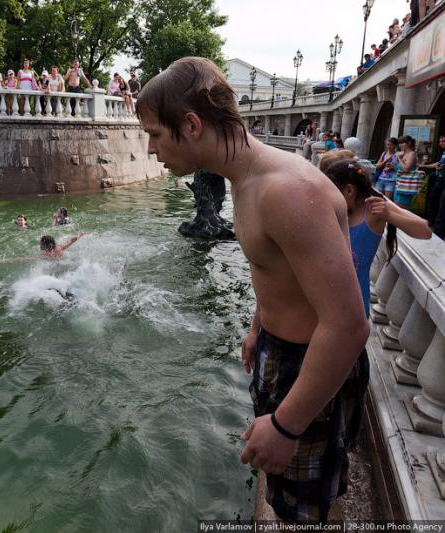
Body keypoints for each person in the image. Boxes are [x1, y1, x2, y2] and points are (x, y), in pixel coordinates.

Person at [136, 57, 369, 524]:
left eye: (155, 135)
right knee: (302, 497)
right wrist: (259, 326)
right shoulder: (247, 182)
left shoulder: (285, 192)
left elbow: (347, 326)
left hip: (309, 363)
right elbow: (279, 270)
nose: (150, 149)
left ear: (192, 124)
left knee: (307, 512)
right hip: (282, 350)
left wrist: (286, 425)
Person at [324, 158, 431, 316]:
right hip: (323, 301)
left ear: (349, 191)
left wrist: (389, 215)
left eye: (331, 192)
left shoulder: (372, 211)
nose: (327, 198)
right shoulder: (331, 211)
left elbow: (425, 231)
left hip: (354, 305)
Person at [421, 135, 445, 230]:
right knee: (434, 199)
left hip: (442, 180)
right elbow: (438, 164)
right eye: (440, 141)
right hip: (439, 178)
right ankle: (434, 221)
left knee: (436, 200)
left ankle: (436, 224)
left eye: (443, 141)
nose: (440, 143)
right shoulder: (443, 152)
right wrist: (423, 166)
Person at [394, 135, 419, 207]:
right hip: (399, 183)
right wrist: (393, 167)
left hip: (406, 185)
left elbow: (406, 169)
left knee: (402, 208)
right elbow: (400, 169)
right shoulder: (403, 153)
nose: (400, 145)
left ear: (409, 143)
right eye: (399, 143)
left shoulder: (412, 153)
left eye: (402, 143)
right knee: (396, 206)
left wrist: (399, 159)